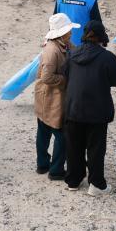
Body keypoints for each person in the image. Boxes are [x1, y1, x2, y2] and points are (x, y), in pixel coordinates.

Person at [63, 20, 116, 194]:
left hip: (73, 108)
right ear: (101, 36)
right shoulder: (107, 57)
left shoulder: (72, 54)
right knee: (96, 148)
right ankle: (96, 184)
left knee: (74, 146)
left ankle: (73, 180)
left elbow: (65, 73)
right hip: (97, 110)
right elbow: (115, 78)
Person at [35, 13, 78, 181]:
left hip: (48, 97)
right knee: (61, 135)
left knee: (43, 131)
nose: (71, 33)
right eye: (69, 31)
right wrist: (65, 80)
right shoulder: (53, 51)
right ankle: (56, 169)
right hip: (52, 97)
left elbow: (76, 52)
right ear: (63, 33)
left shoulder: (64, 44)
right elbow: (46, 77)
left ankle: (42, 164)